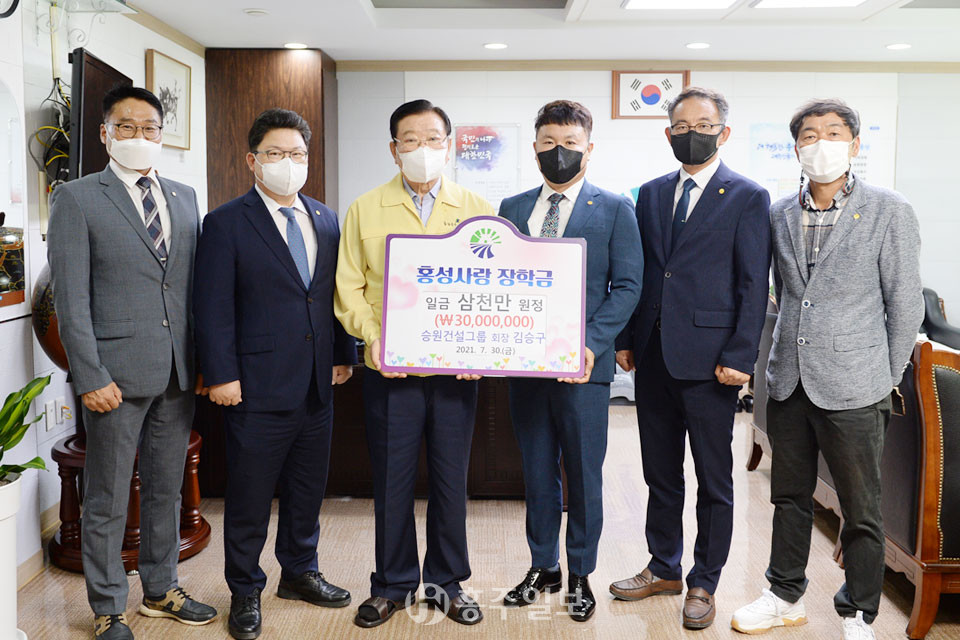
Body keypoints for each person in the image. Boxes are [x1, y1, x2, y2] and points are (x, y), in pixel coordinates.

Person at [731, 99, 923, 640]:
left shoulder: (888, 210)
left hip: (858, 384)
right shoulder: (778, 213)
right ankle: (783, 594)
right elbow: (776, 291)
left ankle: (858, 612)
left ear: (854, 144)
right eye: (810, 135)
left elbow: (904, 304)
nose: (821, 143)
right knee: (789, 498)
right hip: (789, 379)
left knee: (861, 509)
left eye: (833, 133)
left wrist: (884, 378)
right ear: (796, 147)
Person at [47, 85, 216, 640]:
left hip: (177, 373)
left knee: (166, 490)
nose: (139, 136)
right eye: (126, 126)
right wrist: (89, 375)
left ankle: (161, 590)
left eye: (149, 127)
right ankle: (108, 607)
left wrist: (203, 361)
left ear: (161, 134)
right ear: (105, 133)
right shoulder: (77, 198)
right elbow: (71, 300)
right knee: (107, 496)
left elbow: (191, 289)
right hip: (113, 377)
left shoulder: (185, 197)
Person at [610, 86, 772, 631]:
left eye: (703, 125)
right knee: (659, 474)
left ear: (723, 132)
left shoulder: (747, 196)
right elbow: (640, 272)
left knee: (713, 479)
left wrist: (741, 355)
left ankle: (705, 580)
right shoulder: (651, 193)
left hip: (712, 363)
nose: (691, 134)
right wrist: (627, 337)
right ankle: (664, 567)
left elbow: (753, 283)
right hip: (653, 356)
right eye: (681, 126)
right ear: (668, 133)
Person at [193, 108, 357, 640]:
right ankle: (245, 589)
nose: (288, 162)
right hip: (255, 385)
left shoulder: (325, 218)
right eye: (276, 153)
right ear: (252, 160)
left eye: (297, 154)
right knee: (249, 497)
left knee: (308, 490)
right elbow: (213, 306)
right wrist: (221, 373)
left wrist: (343, 354)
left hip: (316, 384)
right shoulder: (225, 222)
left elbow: (333, 296)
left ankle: (300, 573)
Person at [335, 99, 495, 629]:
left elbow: (493, 290)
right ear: (393, 149)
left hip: (455, 375)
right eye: (411, 140)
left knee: (451, 482)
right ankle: (393, 584)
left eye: (432, 139)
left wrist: (479, 348)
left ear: (448, 146)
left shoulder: (477, 208)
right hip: (391, 372)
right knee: (392, 482)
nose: (422, 149)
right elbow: (348, 288)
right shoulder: (365, 208)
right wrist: (374, 338)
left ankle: (447, 582)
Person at [497, 100, 642, 622]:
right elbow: (499, 282)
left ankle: (580, 572)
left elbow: (627, 286)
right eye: (549, 144)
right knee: (537, 473)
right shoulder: (512, 207)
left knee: (582, 474)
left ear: (589, 148)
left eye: (570, 144)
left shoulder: (615, 208)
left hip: (583, 367)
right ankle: (544, 566)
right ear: (535, 148)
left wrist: (591, 343)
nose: (559, 152)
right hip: (526, 367)